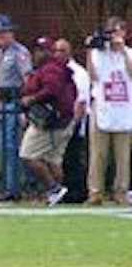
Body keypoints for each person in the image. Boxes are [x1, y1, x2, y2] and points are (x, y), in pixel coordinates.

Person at [19, 37, 77, 205]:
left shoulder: (51, 69)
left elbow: (52, 89)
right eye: (36, 50)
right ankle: (57, 195)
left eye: (41, 50)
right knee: (53, 160)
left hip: (49, 122)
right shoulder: (53, 68)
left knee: (28, 155)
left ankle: (54, 189)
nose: (37, 54)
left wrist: (32, 99)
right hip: (63, 121)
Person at [86, 16, 132, 205]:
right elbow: (93, 76)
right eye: (112, 32)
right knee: (98, 154)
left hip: (124, 110)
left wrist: (122, 51)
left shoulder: (129, 53)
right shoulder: (99, 54)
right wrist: (89, 50)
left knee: (122, 156)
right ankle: (95, 192)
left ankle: (120, 191)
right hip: (103, 107)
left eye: (119, 31)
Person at [0, 14, 33, 202]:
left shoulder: (19, 53)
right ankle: (9, 185)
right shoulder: (0, 54)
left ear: (11, 32)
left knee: (11, 146)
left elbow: (27, 80)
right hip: (2, 102)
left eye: (3, 32)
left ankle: (14, 188)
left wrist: (25, 108)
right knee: (2, 147)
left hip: (14, 102)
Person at [56, 39, 90, 203]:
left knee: (73, 157)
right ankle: (66, 191)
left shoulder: (78, 72)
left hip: (74, 121)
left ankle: (78, 192)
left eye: (62, 51)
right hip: (60, 121)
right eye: (56, 51)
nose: (58, 54)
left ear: (69, 52)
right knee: (61, 159)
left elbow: (82, 100)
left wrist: (73, 124)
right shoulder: (55, 71)